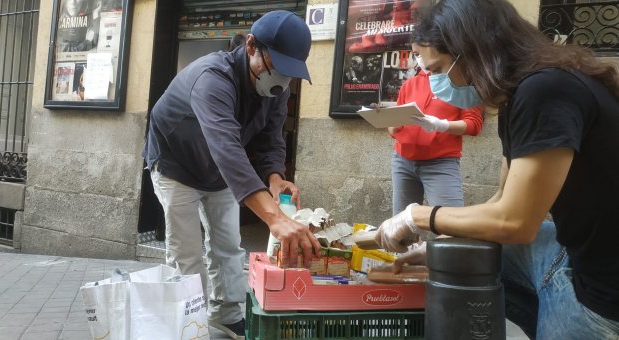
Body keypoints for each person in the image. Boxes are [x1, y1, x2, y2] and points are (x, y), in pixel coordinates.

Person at [375, 0, 619, 338]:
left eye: (438, 69)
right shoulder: (521, 94)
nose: (433, 81)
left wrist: (416, 216)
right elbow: (500, 200)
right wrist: (439, 247)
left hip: (602, 290)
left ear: (472, 50)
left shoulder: (545, 91)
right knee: (466, 258)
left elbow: (514, 222)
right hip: (572, 248)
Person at [142, 10, 321, 339]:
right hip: (176, 164)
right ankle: (189, 326)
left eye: (290, 72)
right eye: (277, 66)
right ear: (252, 46)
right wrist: (275, 218)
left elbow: (270, 139)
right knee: (187, 253)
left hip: (219, 170)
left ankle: (226, 318)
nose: (282, 78)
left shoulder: (274, 90)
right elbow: (227, 148)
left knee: (227, 246)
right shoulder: (212, 77)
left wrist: (275, 177)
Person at [388, 47, 483, 218]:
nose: (420, 58)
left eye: (421, 52)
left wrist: (442, 125)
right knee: (399, 226)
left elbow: (474, 124)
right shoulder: (410, 84)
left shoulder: (459, 80)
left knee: (452, 224)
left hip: (440, 163)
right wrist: (391, 125)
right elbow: (394, 126)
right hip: (403, 161)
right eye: (415, 54)